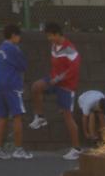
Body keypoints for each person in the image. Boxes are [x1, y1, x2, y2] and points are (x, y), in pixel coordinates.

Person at [29, 21, 82, 160]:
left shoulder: (70, 49)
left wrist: (58, 79)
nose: (49, 39)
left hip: (67, 85)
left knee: (67, 117)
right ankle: (40, 118)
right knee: (36, 87)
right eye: (47, 36)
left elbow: (74, 69)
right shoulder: (53, 46)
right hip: (53, 80)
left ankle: (76, 149)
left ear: (58, 34)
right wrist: (54, 79)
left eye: (51, 36)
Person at [0, 23, 32, 160]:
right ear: (14, 35)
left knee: (2, 117)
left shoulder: (0, 48)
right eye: (18, 36)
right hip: (12, 85)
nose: (19, 39)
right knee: (17, 116)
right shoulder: (14, 49)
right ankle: (18, 149)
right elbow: (23, 66)